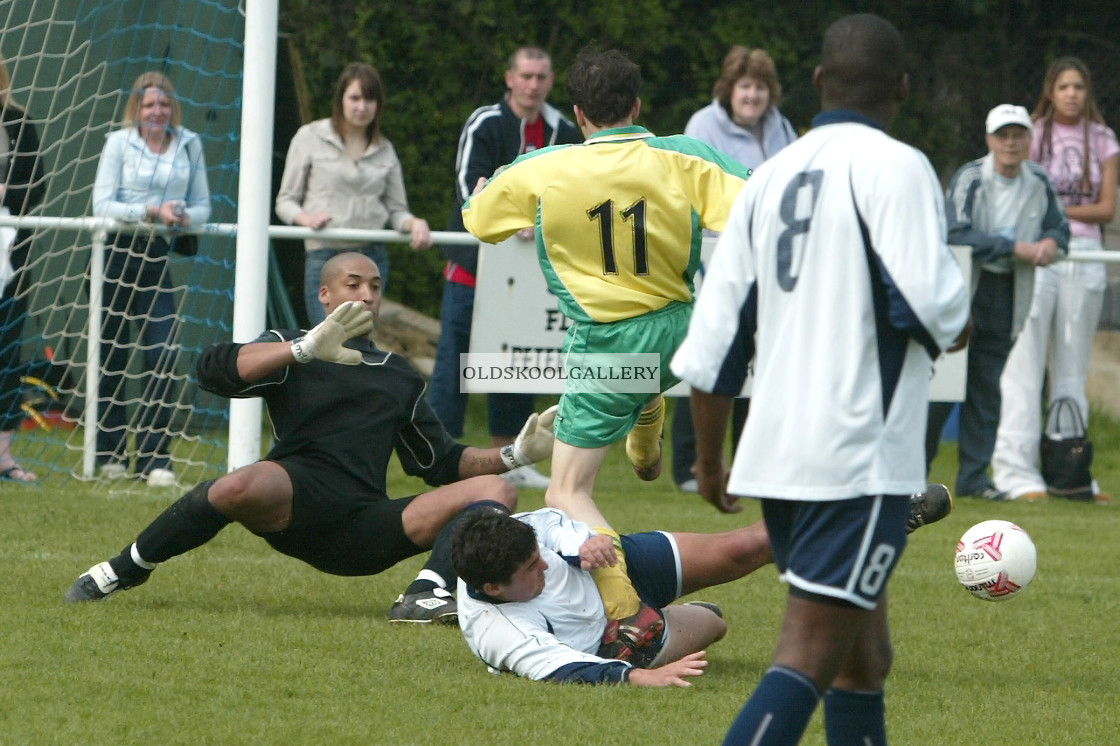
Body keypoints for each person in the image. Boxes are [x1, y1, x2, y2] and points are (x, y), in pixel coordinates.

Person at [672, 14, 970, 745]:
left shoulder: (766, 179)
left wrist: (709, 460)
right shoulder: (899, 167)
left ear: (813, 84)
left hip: (777, 457)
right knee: (806, 653)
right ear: (903, 86)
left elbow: (714, 343)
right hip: (858, 458)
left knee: (863, 660)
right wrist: (959, 319)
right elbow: (936, 311)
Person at [64, 252, 558, 625]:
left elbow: (441, 463)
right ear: (325, 295)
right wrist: (301, 349)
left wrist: (514, 453)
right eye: (353, 284)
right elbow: (214, 370)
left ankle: (424, 594)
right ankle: (124, 568)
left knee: (499, 492)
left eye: (375, 286)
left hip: (367, 525)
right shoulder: (290, 350)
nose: (367, 294)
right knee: (241, 483)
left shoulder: (397, 374)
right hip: (295, 502)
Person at [462, 46, 751, 657]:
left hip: (608, 342)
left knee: (565, 492)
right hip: (681, 328)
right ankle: (646, 428)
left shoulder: (544, 165)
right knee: (639, 392)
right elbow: (758, 206)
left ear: (578, 113)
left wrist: (485, 192)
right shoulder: (683, 155)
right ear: (638, 105)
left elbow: (480, 222)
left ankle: (626, 610)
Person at [451, 485, 952, 686]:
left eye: (539, 560)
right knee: (714, 623)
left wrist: (577, 547)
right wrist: (639, 678)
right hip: (619, 639)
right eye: (531, 573)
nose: (542, 569)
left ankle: (881, 512)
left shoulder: (517, 538)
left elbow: (553, 523)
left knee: (744, 547)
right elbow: (564, 670)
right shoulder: (498, 630)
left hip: (616, 571)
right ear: (495, 589)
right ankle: (685, 618)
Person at [428, 45, 582, 490]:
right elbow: (467, 182)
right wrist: (506, 216)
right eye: (526, 76)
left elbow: (572, 190)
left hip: (531, 274)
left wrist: (540, 219)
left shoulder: (565, 131)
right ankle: (438, 450)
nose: (533, 84)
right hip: (474, 268)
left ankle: (515, 453)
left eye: (541, 76)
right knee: (455, 358)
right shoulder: (484, 122)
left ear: (551, 81)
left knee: (518, 360)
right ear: (509, 78)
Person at [927, 104, 1069, 501]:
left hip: (1009, 293)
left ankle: (974, 480)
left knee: (987, 389)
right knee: (943, 389)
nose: (1010, 143)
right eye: (1003, 135)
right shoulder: (970, 176)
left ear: (1029, 139)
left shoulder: (1039, 180)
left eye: (1018, 135)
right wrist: (1015, 247)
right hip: (963, 290)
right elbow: (955, 232)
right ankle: (913, 476)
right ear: (989, 140)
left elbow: (1060, 227)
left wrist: (1052, 242)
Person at [672, 45, 799, 493]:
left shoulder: (780, 127)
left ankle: (745, 466)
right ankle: (691, 466)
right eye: (745, 86)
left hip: (767, 259)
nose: (753, 96)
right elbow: (689, 190)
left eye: (761, 88)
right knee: (709, 359)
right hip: (716, 256)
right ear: (729, 89)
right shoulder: (702, 125)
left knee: (756, 361)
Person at [992, 57, 1118, 503]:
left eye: (1079, 86)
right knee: (1023, 367)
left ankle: (1070, 474)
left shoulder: (1103, 139)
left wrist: (1055, 212)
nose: (1072, 94)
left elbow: (1105, 210)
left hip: (1084, 253)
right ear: (1051, 89)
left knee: (1071, 370)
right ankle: (1015, 474)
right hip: (1039, 254)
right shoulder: (1033, 133)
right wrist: (1046, 221)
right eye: (1063, 86)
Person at [91, 71, 211, 487]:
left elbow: (203, 207)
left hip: (157, 254)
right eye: (148, 105)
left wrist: (178, 215)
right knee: (112, 355)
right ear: (136, 109)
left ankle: (155, 458)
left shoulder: (190, 143)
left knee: (162, 352)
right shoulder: (118, 142)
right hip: (115, 254)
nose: (156, 111)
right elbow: (102, 202)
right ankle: (110, 454)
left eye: (163, 104)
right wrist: (148, 211)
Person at [276, 61, 432, 326]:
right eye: (355, 98)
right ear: (341, 100)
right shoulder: (309, 136)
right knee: (324, 340)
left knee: (360, 341)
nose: (362, 107)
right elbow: (285, 201)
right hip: (324, 255)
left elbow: (396, 211)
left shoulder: (386, 149)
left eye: (370, 99)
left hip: (371, 258)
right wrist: (306, 219)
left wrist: (414, 223)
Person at [0, 55, 46, 483]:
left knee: (6, 354)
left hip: (10, 256)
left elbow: (38, 185)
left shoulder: (17, 121)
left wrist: (4, 193)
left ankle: (3, 455)